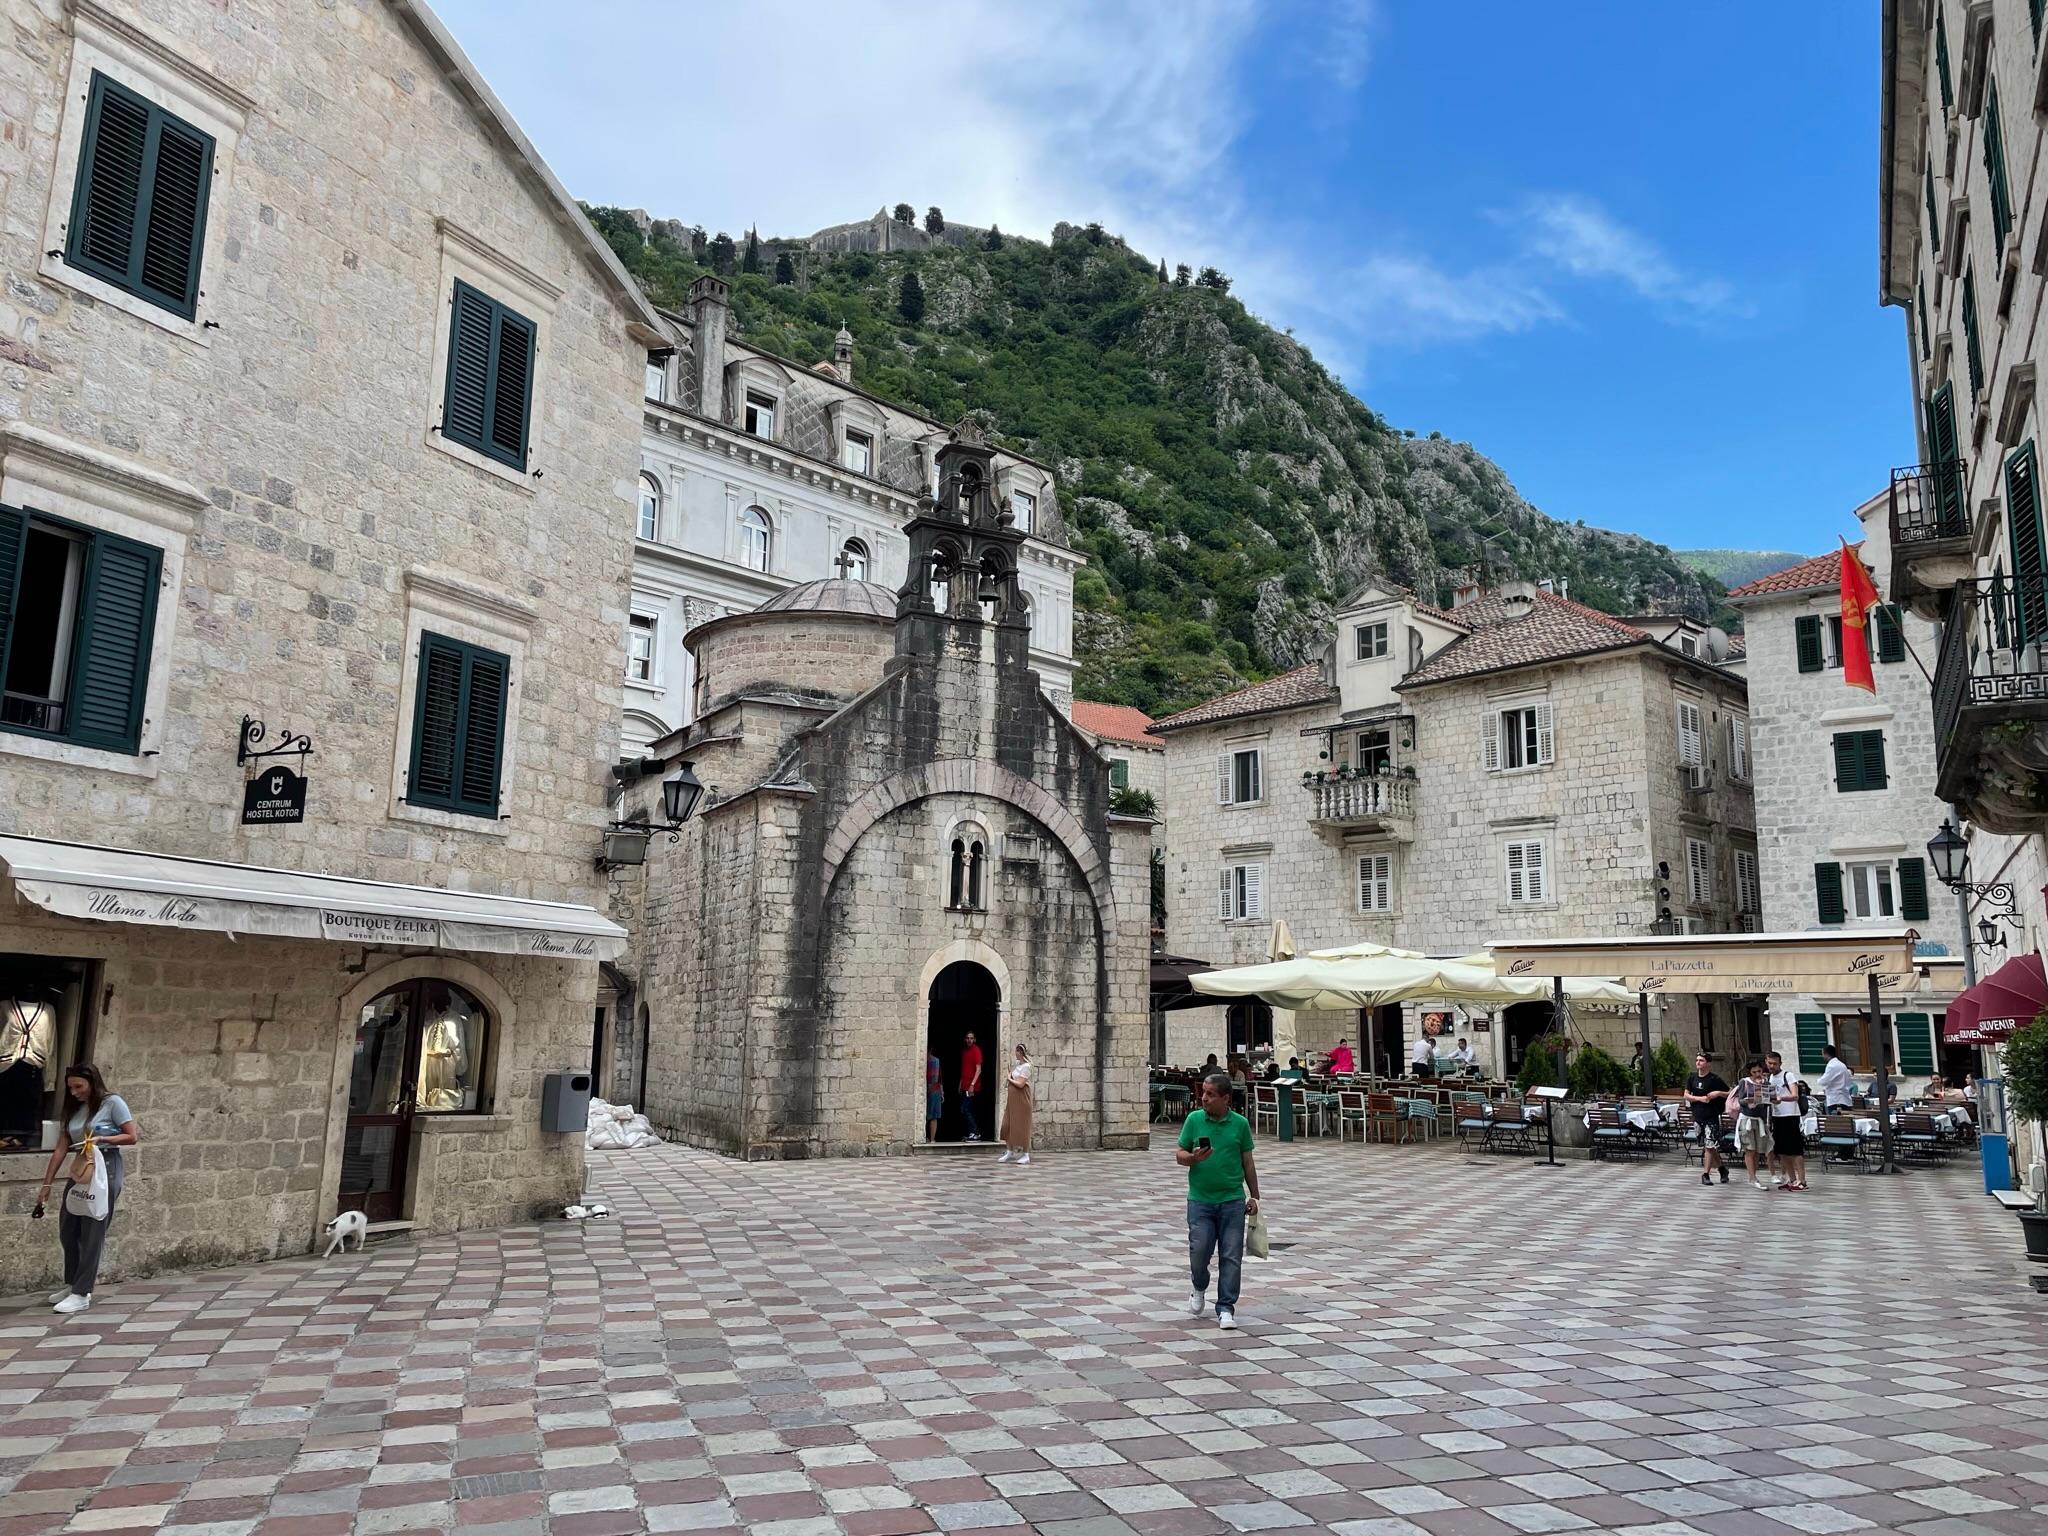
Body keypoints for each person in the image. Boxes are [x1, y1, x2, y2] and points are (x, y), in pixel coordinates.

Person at [33, 1064, 139, 1314]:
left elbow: (131, 1136)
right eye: (70, 1087)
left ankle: (82, 1293)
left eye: (78, 1086)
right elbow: (61, 1148)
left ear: (92, 1083)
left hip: (105, 1167)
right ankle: (72, 1284)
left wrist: (103, 1139)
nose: (74, 1092)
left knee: (93, 1230)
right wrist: (46, 1184)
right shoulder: (74, 1109)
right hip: (81, 1167)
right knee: (68, 1227)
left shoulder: (112, 1103)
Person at [1175, 1072, 1260, 1332]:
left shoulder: (1240, 1124)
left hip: (1232, 1200)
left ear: (1226, 1099)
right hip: (1200, 1200)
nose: (1204, 1098)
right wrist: (1193, 1158)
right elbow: (1179, 1154)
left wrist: (1254, 1196)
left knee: (1231, 1256)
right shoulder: (1194, 1120)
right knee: (1199, 1251)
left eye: (1210, 1094)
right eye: (1203, 1093)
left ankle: (1225, 1308)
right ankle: (1199, 1285)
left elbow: (1248, 1162)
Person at [1683, 1054, 1729, 1186]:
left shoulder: (1715, 1079)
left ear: (1708, 1063)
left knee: (1709, 1146)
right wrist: (1700, 1099)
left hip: (1711, 1117)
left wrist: (1718, 1093)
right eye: (1697, 1060)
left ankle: (1706, 1174)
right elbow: (1686, 1095)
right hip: (1698, 1116)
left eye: (1701, 1060)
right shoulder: (1692, 1078)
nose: (1698, 1062)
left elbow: (1730, 1092)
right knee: (1709, 1145)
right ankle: (1722, 1169)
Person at [1765, 1051, 1806, 1191]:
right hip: (1777, 1116)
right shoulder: (1769, 1078)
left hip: (1790, 1115)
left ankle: (1802, 1181)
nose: (1772, 1066)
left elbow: (1795, 1096)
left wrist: (1781, 1099)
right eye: (1770, 1063)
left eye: (1774, 1064)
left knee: (1795, 1150)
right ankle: (1792, 1179)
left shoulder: (1788, 1075)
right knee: (1782, 1151)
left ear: (1780, 1063)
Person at [1732, 1060, 1773, 1190]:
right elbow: (1740, 1100)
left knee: (1757, 1150)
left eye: (1759, 1071)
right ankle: (1752, 1178)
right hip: (1747, 1119)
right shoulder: (1744, 1082)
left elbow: (1769, 1101)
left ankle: (1753, 1175)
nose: (1757, 1074)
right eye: (1754, 1072)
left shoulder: (1766, 1083)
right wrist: (1746, 1101)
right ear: (1750, 1072)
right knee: (1749, 1149)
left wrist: (1770, 1100)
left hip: (1760, 1119)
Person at [997, 1045, 1033, 1165]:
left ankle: (1026, 1154)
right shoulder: (1017, 1065)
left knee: (1023, 1126)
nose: (1015, 1053)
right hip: (1012, 1100)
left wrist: (1009, 1079)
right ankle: (1009, 1151)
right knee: (1006, 1124)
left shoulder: (1027, 1066)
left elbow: (1021, 1084)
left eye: (1017, 1051)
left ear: (1021, 1053)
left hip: (1022, 1099)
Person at [959, 1031, 984, 1142]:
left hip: (972, 1085)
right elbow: (964, 1068)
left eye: (971, 1038)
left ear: (974, 1039)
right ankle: (971, 1133)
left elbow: (979, 1069)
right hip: (965, 1085)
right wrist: (961, 1083)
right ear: (965, 1039)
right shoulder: (964, 1051)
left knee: (965, 1109)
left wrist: (972, 1085)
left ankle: (976, 1133)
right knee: (969, 1109)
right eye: (968, 1038)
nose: (969, 1040)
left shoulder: (976, 1050)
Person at [926, 1050, 943, 1143]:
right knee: (934, 1115)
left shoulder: (925, 1060)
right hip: (934, 1089)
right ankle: (932, 1139)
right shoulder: (936, 1061)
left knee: (926, 1115)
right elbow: (940, 1078)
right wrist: (942, 1092)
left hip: (926, 1088)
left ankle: (926, 1137)